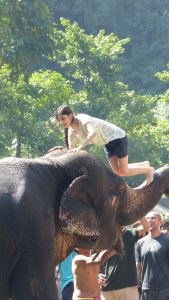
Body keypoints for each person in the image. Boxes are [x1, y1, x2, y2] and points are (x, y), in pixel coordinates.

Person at [49, 105, 154, 185]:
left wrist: (80, 147)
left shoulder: (82, 118)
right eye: (59, 120)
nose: (61, 122)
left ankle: (149, 170)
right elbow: (71, 152)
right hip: (107, 142)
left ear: (71, 115)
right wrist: (59, 150)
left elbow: (92, 133)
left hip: (117, 137)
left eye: (63, 119)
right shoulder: (71, 132)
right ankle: (144, 164)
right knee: (118, 172)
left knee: (124, 171)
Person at [100, 217, 149, 300]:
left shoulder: (128, 234)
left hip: (127, 286)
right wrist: (97, 274)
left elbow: (146, 227)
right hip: (107, 288)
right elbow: (93, 260)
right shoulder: (100, 238)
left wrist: (140, 210)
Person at [135, 211, 169, 300]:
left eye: (153, 218)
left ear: (160, 222)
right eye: (148, 218)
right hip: (146, 289)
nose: (150, 220)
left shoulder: (167, 240)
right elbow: (138, 267)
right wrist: (137, 286)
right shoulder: (140, 242)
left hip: (165, 289)